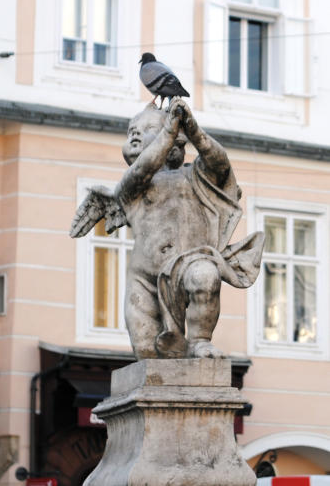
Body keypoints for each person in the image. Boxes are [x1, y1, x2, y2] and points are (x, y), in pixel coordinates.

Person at [70, 98, 264, 359]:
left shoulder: (194, 177)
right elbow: (142, 169)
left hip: (188, 265)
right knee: (147, 354)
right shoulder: (130, 188)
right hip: (144, 281)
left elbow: (220, 163)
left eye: (149, 128)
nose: (135, 134)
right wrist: (168, 131)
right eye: (132, 131)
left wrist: (193, 130)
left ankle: (200, 340)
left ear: (177, 142)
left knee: (205, 275)